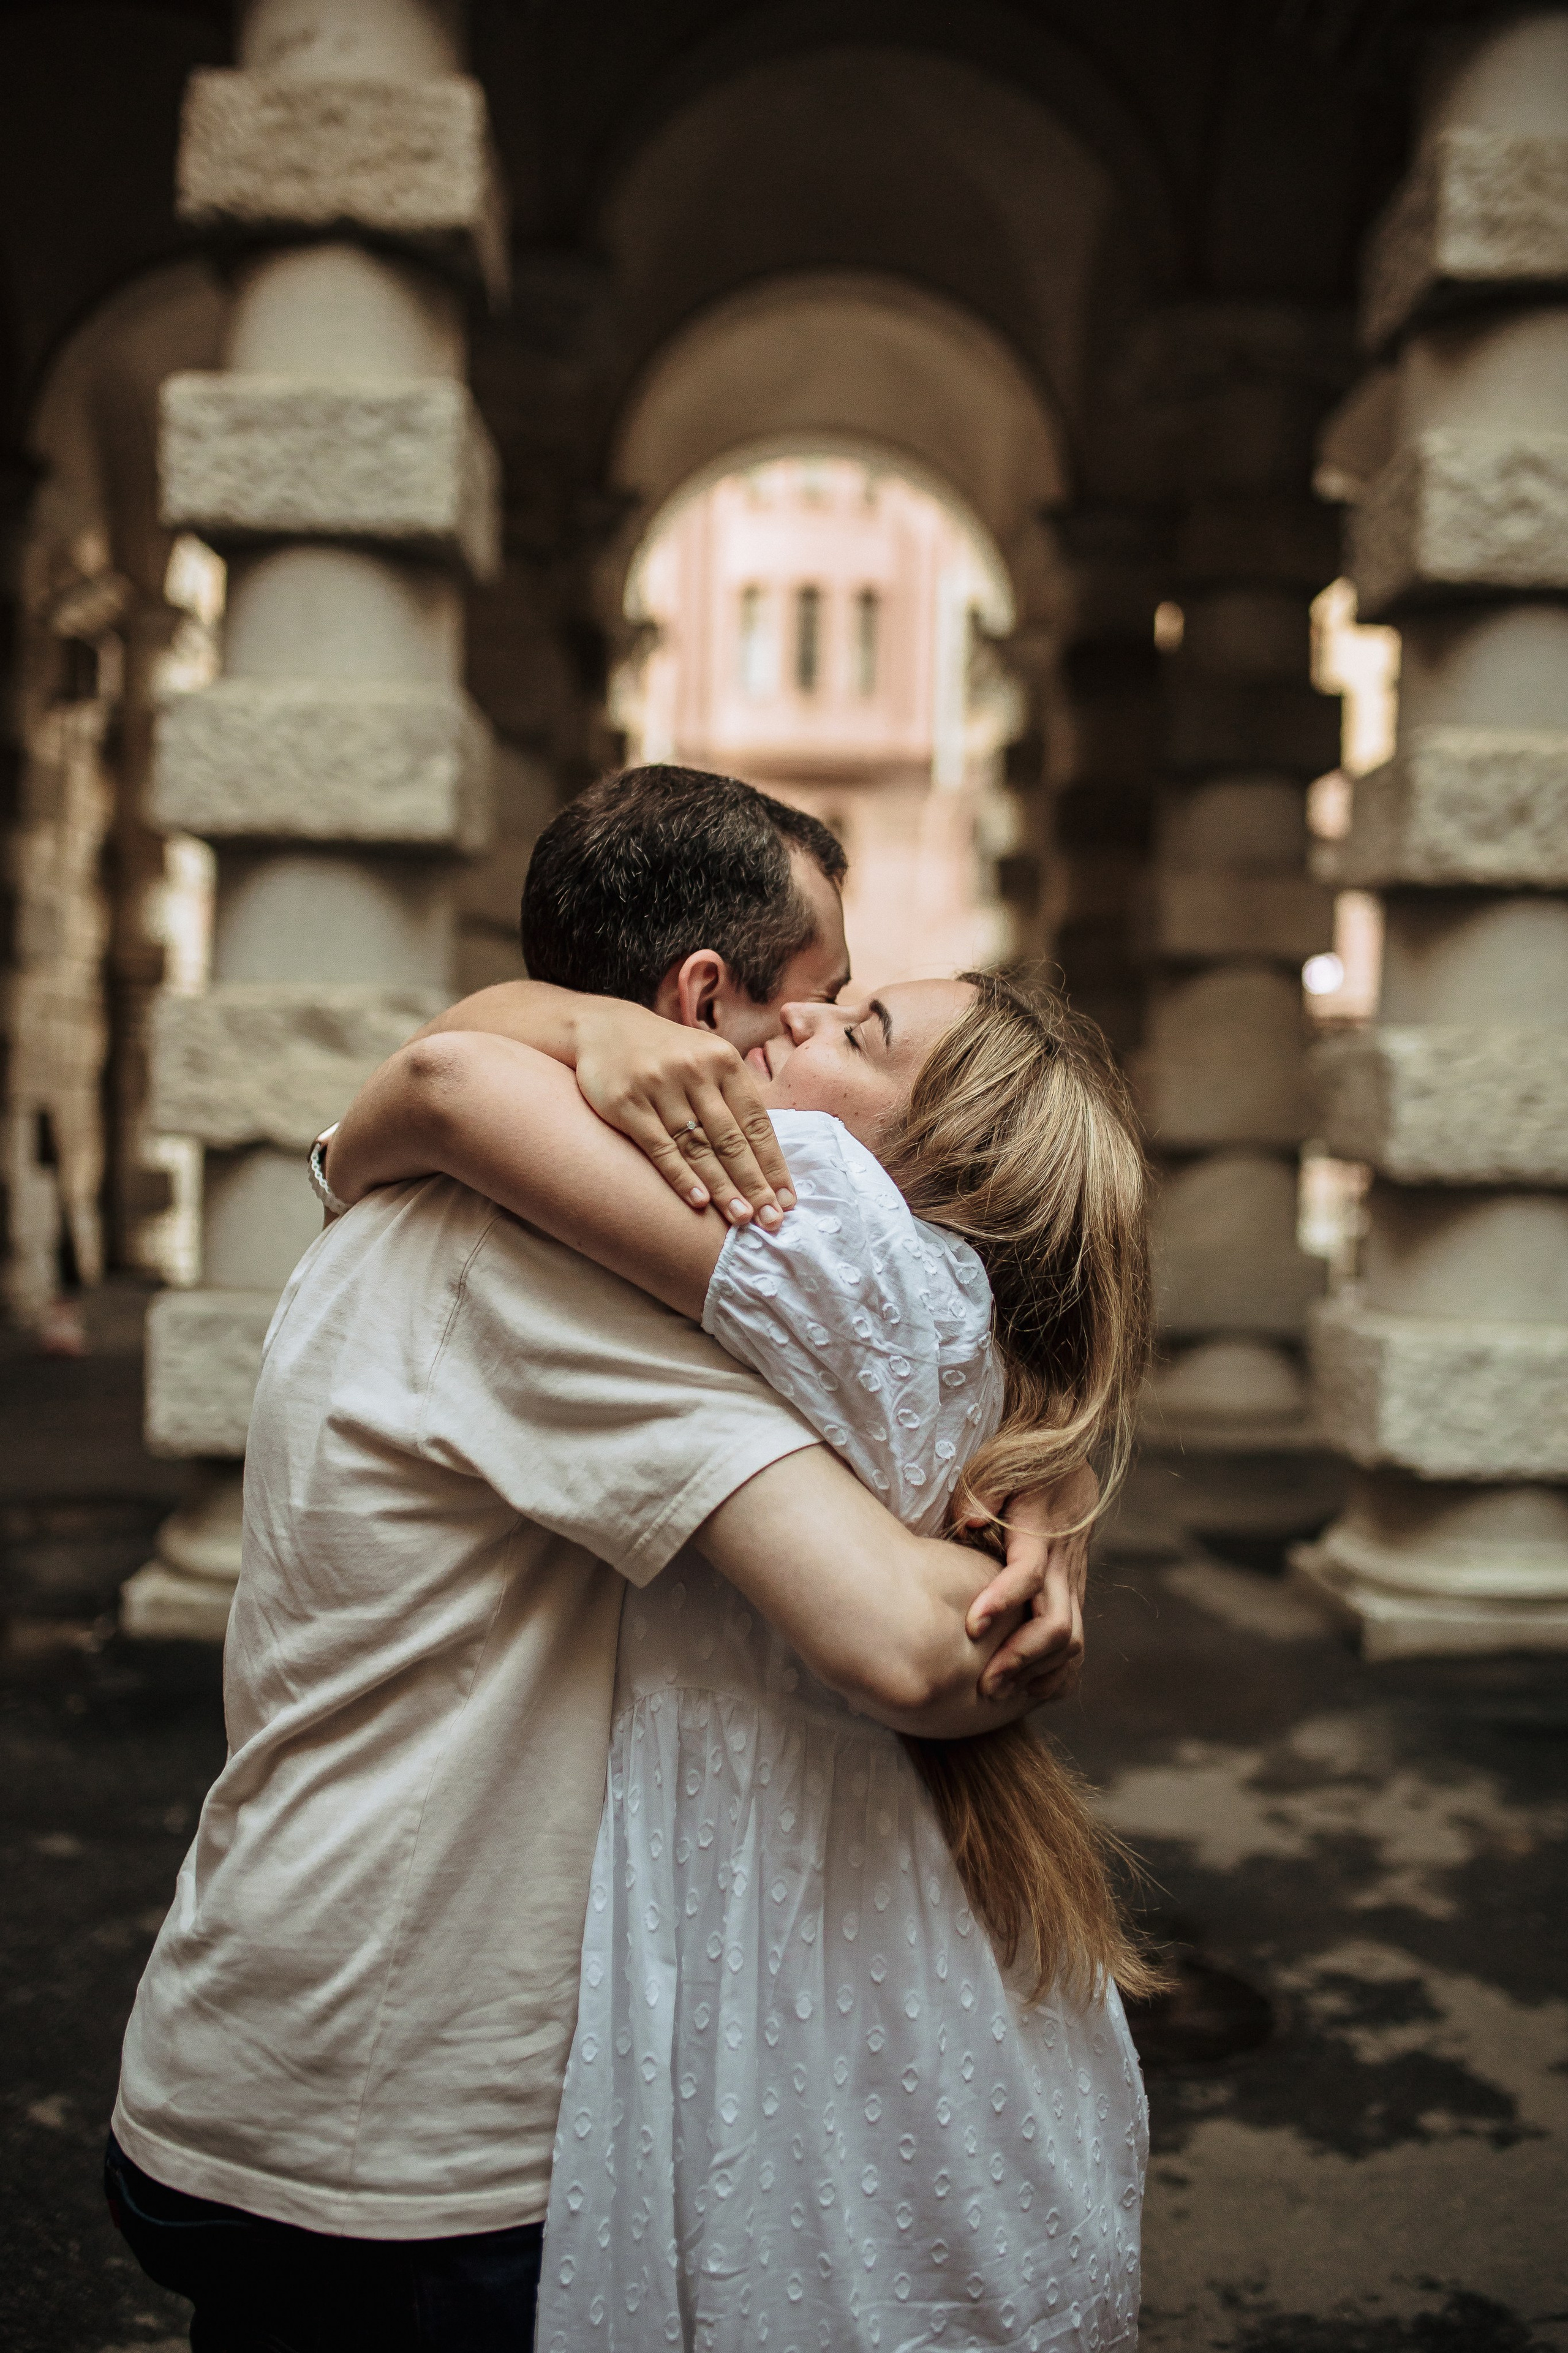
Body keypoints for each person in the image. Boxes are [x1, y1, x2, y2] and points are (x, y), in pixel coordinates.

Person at [104, 766, 1079, 2353]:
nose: (819, 1033)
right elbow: (924, 1645)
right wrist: (1043, 1554)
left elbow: (903, 1363)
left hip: (305, 2043)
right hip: (405, 2139)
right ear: (709, 1002)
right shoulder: (541, 1254)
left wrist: (1051, 1476)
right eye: (824, 1000)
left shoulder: (501, 1191)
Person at [321, 964, 1160, 2350]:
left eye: (860, 1029)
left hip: (767, 1880)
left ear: (942, 1153)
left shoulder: (824, 1215)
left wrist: (353, 1159)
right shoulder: (941, 1296)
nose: (802, 1024)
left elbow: (442, 1085)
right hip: (883, 1875)